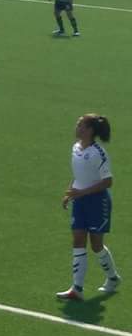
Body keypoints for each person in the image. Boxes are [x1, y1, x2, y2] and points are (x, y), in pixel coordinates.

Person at [58, 114, 119, 300]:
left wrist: (81, 193)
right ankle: (77, 288)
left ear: (90, 130)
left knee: (96, 245)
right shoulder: (75, 148)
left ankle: (113, 278)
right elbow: (79, 175)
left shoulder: (98, 153)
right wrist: (70, 193)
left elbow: (108, 181)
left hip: (97, 202)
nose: (77, 128)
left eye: (81, 125)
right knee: (77, 240)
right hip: (80, 201)